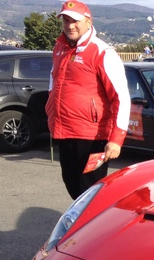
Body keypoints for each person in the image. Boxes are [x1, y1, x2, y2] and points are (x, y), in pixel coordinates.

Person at [46, 0, 131, 200]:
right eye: (66, 21)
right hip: (64, 131)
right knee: (73, 187)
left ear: (88, 20)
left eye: (75, 21)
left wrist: (116, 139)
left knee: (90, 193)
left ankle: (95, 230)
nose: (70, 25)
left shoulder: (102, 52)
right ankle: (81, 229)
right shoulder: (59, 48)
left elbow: (121, 97)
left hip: (92, 136)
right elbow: (53, 82)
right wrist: (50, 111)